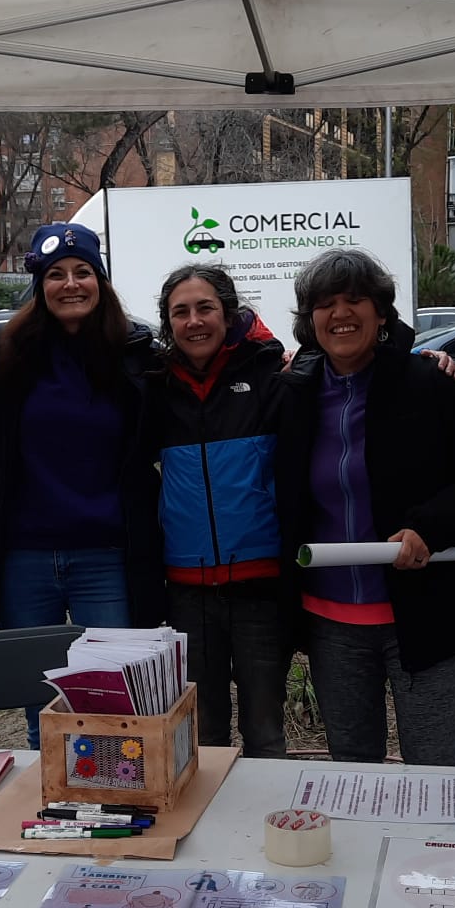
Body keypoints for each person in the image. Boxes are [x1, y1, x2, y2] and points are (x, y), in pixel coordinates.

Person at [275, 248, 455, 767]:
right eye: (326, 303)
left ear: (381, 313)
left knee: (435, 761)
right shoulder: (291, 394)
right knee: (354, 764)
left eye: (356, 299)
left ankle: (444, 851)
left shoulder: (431, 385)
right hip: (332, 622)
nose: (341, 313)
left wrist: (428, 529)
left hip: (428, 608)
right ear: (308, 319)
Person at [0, 224, 166, 748]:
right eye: (55, 274)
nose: (71, 283)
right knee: (44, 709)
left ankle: (117, 800)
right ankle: (55, 809)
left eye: (83, 272)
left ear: (101, 280)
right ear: (39, 285)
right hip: (23, 559)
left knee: (117, 699)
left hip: (106, 557)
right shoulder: (3, 349)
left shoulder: (134, 355)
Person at [149, 264, 292, 759]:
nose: (194, 321)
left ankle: (268, 831)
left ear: (227, 313)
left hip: (259, 583)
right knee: (203, 734)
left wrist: (429, 356)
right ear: (168, 325)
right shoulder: (156, 385)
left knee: (265, 729)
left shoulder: (270, 371)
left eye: (205, 308)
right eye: (180, 312)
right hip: (188, 589)